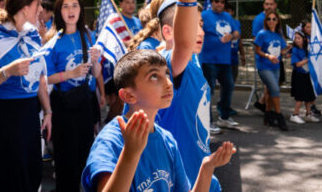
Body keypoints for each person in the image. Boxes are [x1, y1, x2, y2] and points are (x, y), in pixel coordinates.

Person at [81, 50, 235, 192]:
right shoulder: (111, 141)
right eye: (154, 76)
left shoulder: (167, 140)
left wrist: (207, 168)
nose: (168, 83)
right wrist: (130, 153)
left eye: (167, 74)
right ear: (128, 96)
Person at [156, 0, 222, 191]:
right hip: (178, 180)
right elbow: (182, 45)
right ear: (168, 32)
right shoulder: (166, 66)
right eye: (192, 25)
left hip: (201, 175)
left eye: (201, 24)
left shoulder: (193, 63)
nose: (200, 32)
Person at [0, 0, 52, 192]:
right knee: (6, 176)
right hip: (2, 115)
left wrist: (48, 111)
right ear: (24, 7)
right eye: (38, 4)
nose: (41, 10)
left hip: (28, 112)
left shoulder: (33, 35)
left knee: (30, 172)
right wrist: (6, 72)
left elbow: (40, 78)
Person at [44, 0, 105, 192]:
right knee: (65, 159)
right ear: (58, 11)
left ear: (81, 9)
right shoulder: (52, 40)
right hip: (62, 104)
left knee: (86, 154)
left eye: (75, 5)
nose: (71, 10)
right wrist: (70, 74)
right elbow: (44, 78)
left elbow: (96, 73)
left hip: (85, 103)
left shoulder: (88, 35)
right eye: (65, 6)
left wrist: (95, 60)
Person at [200, 0, 240, 130]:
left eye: (222, 1)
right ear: (212, 3)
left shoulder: (227, 17)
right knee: (209, 91)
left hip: (225, 60)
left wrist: (232, 36)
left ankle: (223, 117)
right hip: (208, 59)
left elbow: (236, 32)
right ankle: (207, 121)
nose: (220, 4)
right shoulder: (204, 15)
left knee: (228, 86)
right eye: (217, 1)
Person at [253, 10, 291, 131]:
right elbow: (257, 50)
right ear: (266, 21)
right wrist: (268, 56)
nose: (271, 21)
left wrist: (288, 49)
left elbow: (281, 52)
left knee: (269, 91)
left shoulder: (279, 35)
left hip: (276, 67)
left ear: (277, 21)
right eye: (269, 19)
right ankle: (279, 117)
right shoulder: (262, 34)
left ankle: (268, 116)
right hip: (264, 67)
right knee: (275, 89)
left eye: (274, 19)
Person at [289, 22, 319, 124]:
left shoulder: (307, 49)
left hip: (307, 75)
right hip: (299, 76)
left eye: (299, 38)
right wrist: (307, 60)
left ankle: (308, 113)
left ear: (304, 39)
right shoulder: (295, 50)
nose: (297, 40)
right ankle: (295, 114)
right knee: (300, 96)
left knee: (308, 96)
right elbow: (297, 64)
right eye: (295, 38)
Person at [251, 0, 277, 112]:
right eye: (267, 4)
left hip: (276, 57)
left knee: (275, 83)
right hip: (264, 58)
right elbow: (256, 39)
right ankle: (268, 110)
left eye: (271, 4)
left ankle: (262, 102)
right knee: (270, 84)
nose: (269, 6)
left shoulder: (276, 18)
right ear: (263, 5)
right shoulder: (258, 19)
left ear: (275, 5)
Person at [224, 3, 243, 117]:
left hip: (234, 57)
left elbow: (239, 39)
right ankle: (223, 106)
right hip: (225, 58)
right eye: (227, 11)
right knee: (227, 83)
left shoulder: (236, 23)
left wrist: (243, 54)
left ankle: (227, 105)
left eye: (231, 11)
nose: (229, 13)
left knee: (231, 83)